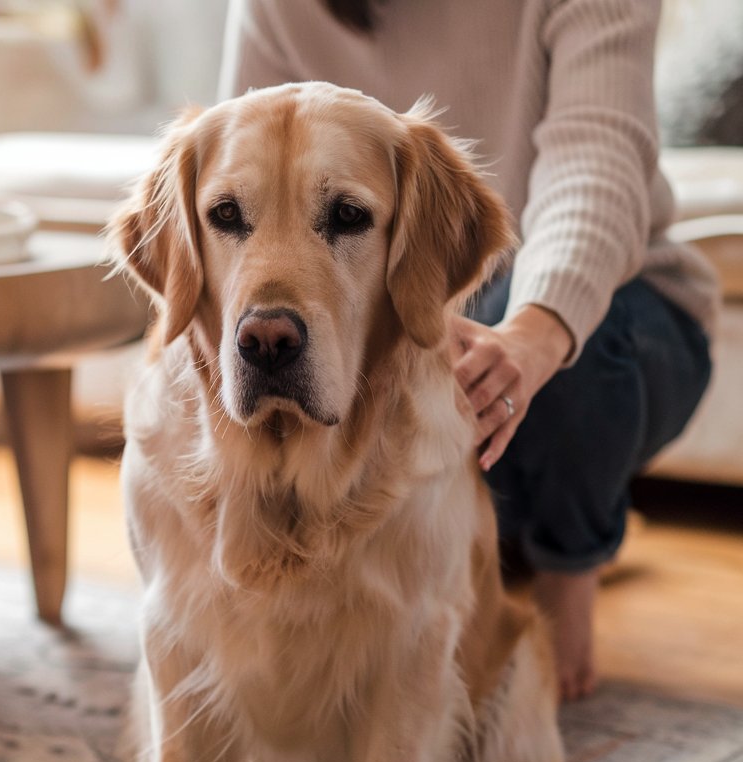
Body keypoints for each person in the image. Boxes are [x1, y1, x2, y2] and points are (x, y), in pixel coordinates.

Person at [218, 0, 718, 700]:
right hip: (406, 295)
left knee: (572, 353)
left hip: (627, 307)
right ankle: (476, 548)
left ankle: (566, 566)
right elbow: (241, 178)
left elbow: (595, 164)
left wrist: (533, 333)